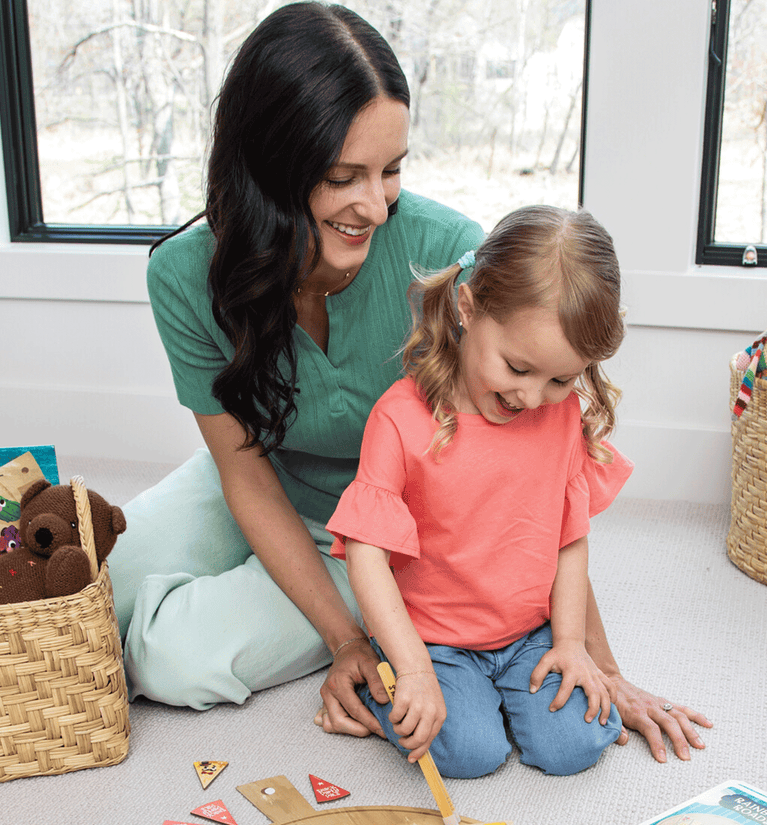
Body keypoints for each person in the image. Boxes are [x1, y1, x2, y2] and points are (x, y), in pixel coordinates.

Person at [114, 1, 710, 763]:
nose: (374, 204)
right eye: (342, 176)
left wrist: (606, 667)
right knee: (96, 584)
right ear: (267, 168)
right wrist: (337, 635)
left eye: (391, 170)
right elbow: (242, 471)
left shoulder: (450, 256)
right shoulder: (183, 274)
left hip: (391, 534)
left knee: (170, 660)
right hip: (259, 477)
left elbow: (536, 477)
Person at [327, 205, 632, 778]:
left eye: (561, 379)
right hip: (434, 642)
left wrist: (570, 644)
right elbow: (365, 557)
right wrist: (413, 669)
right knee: (471, 753)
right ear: (468, 309)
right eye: (517, 367)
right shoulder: (400, 418)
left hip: (526, 635)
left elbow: (570, 539)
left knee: (576, 744)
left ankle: (508, 689)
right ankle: (383, 685)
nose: (534, 397)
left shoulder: (560, 415)